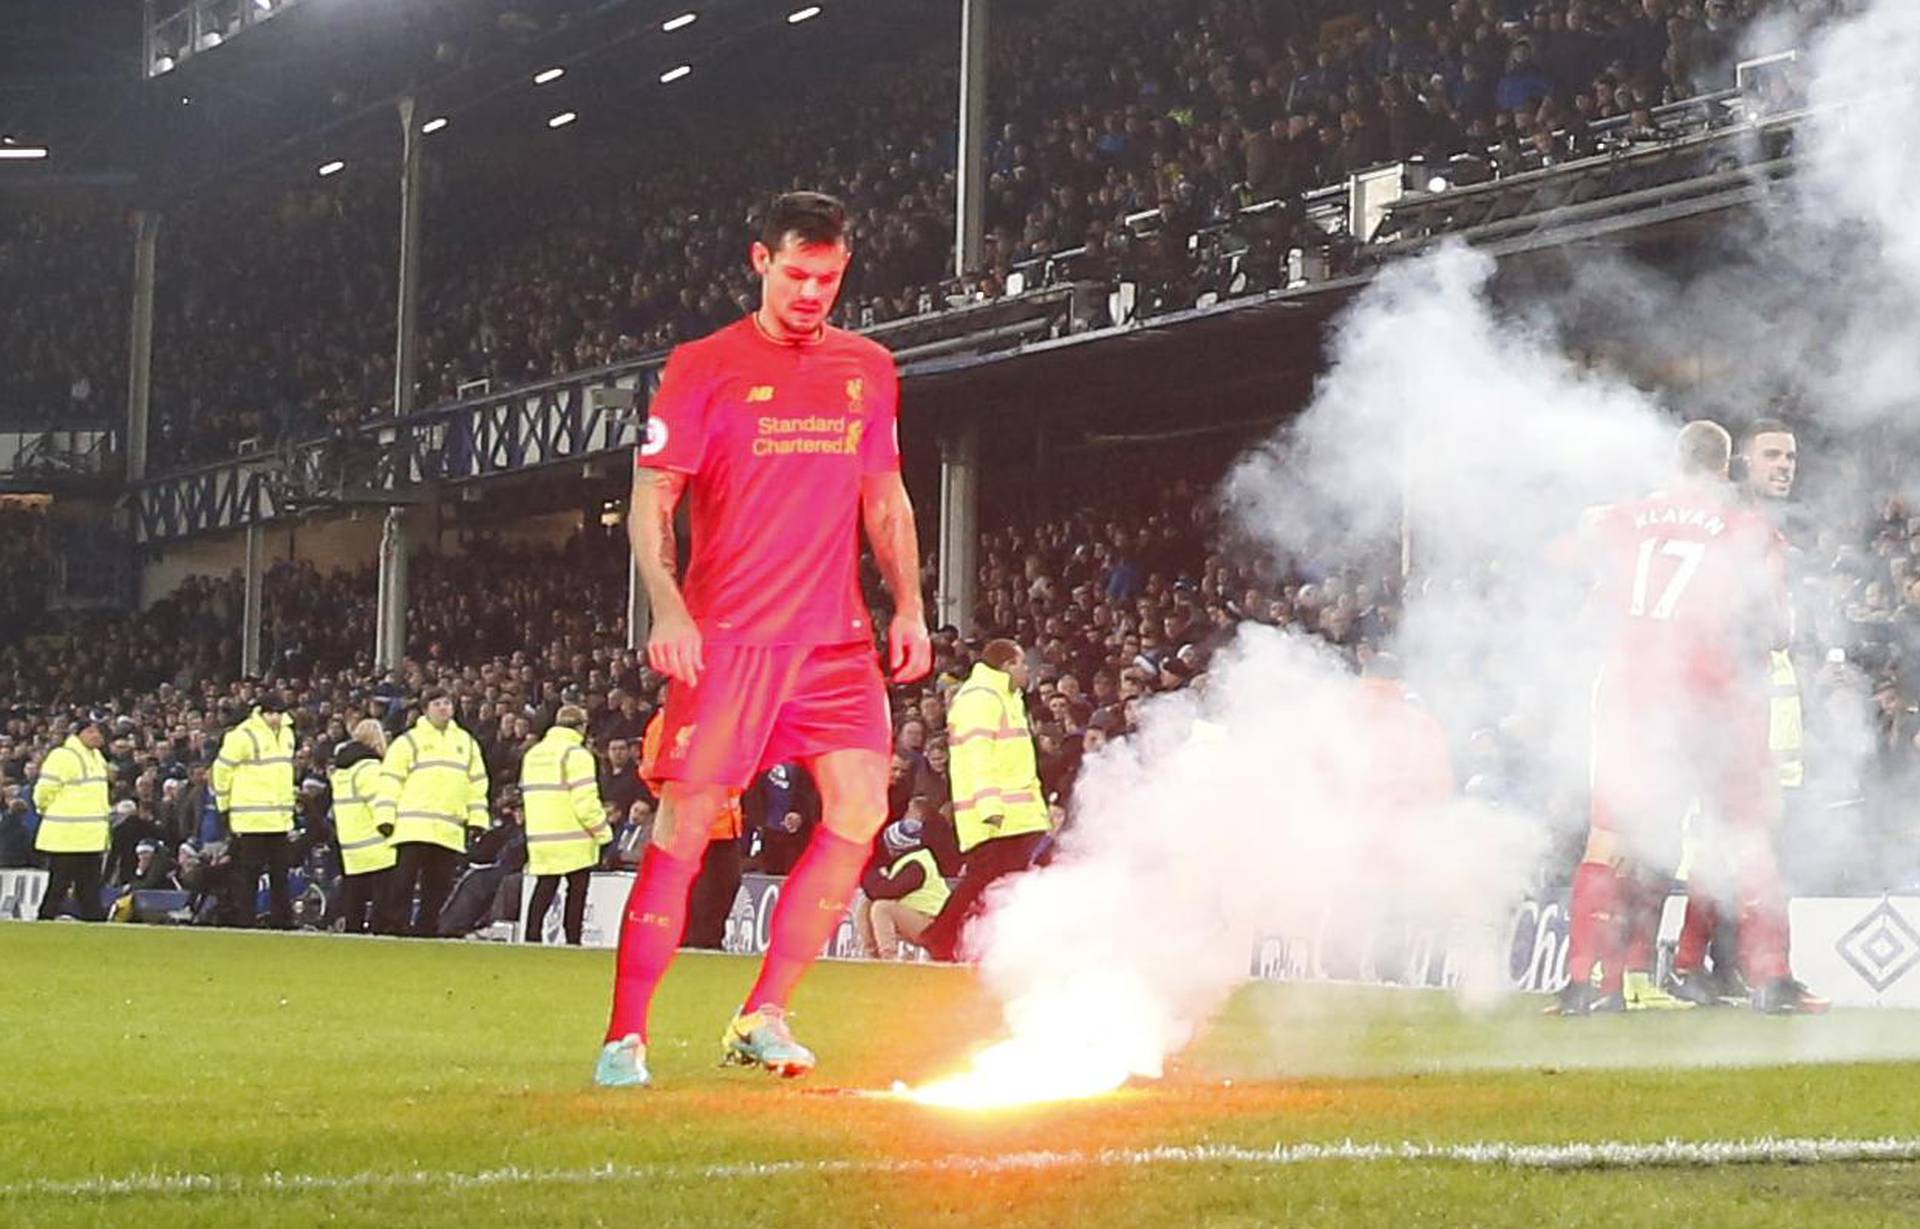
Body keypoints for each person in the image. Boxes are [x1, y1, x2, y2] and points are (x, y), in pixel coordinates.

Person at [596, 191, 931, 1089]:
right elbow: (653, 499)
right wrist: (668, 608)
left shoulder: (869, 367)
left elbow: (885, 499)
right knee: (689, 824)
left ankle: (764, 1013)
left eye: (827, 277)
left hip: (833, 638)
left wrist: (909, 606)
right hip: (732, 637)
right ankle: (625, 1035)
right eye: (796, 274)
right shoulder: (703, 365)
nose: (812, 292)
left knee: (859, 811)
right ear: (760, 262)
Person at [1558, 421, 1818, 1016]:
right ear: (1726, 468)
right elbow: (1776, 630)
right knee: (1746, 835)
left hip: (1630, 694)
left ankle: (1586, 983)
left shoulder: (1622, 518)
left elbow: (1582, 587)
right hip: (1710, 695)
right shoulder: (1746, 529)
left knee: (1612, 838)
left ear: (1674, 461)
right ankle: (1770, 980)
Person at [918, 639, 1053, 962]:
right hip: (999, 815)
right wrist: (990, 806)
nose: (1027, 671)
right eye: (1022, 664)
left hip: (1019, 815)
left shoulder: (1006, 698)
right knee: (985, 880)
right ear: (1006, 665)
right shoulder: (982, 698)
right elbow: (979, 756)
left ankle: (972, 941)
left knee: (1007, 881)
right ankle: (942, 934)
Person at [378, 686, 491, 937]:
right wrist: (385, 817)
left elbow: (477, 784)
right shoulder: (408, 741)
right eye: (437, 704)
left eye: (447, 703)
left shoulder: (466, 743)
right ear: (425, 709)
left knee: (438, 884)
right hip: (413, 825)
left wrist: (478, 819)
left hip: (448, 827)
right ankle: (395, 924)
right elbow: (390, 780)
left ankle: (426, 927)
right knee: (404, 881)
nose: (443, 708)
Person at [521, 704, 612, 945]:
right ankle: (572, 940)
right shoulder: (576, 755)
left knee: (545, 886)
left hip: (541, 834)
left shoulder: (534, 754)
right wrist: (602, 831)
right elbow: (585, 801)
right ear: (581, 727)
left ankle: (531, 937)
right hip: (573, 834)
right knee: (577, 888)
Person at [211, 692, 298, 929]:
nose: (276, 718)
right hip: (251, 818)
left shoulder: (287, 734)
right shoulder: (243, 735)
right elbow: (221, 771)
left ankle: (283, 920)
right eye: (272, 713)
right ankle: (245, 919)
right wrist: (224, 806)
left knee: (281, 872)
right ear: (261, 712)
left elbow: (283, 775)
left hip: (279, 818)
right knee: (250, 872)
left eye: (279, 713)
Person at [31, 713, 112, 921]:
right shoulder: (63, 756)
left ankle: (94, 921)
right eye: (91, 731)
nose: (96, 736)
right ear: (78, 734)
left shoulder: (96, 757)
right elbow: (44, 791)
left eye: (99, 731)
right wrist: (46, 810)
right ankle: (45, 918)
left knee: (89, 884)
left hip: (90, 836)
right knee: (60, 883)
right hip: (67, 836)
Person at [331, 718, 400, 935]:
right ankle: (381, 933)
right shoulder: (370, 768)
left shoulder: (342, 771)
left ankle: (353, 935)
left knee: (355, 896)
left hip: (352, 842)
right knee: (383, 895)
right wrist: (391, 828)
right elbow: (380, 804)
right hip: (376, 841)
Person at [855, 818, 949, 959]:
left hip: (931, 923)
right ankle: (872, 954)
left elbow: (886, 891)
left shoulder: (916, 865)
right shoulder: (910, 859)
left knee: (882, 907)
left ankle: (888, 957)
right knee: (866, 903)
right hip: (918, 917)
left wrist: (868, 872)